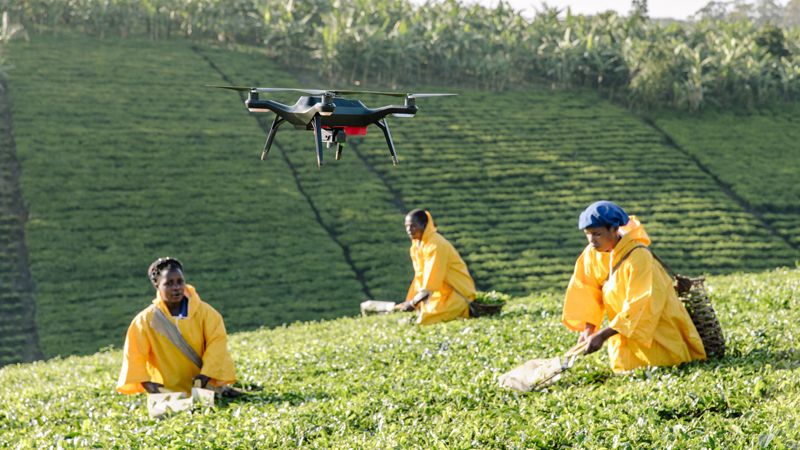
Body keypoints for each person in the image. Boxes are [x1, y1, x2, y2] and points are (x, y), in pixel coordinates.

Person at [562, 201, 706, 373]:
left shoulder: (638, 255)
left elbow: (641, 302)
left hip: (656, 323)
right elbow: (586, 289)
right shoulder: (592, 253)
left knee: (668, 367)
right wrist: (589, 328)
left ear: (614, 229)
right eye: (588, 234)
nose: (592, 240)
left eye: (597, 234)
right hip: (622, 326)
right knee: (629, 374)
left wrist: (603, 334)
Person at [116, 257, 238, 396]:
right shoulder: (145, 320)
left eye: (180, 282)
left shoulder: (206, 313)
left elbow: (217, 344)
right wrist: (147, 383)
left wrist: (207, 374)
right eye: (169, 283)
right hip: (167, 394)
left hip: (204, 390)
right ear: (157, 285)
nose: (176, 287)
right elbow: (134, 355)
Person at [398, 209, 476, 325]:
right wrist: (415, 301)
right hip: (440, 295)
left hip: (457, 294)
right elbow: (420, 276)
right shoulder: (416, 246)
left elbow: (431, 279)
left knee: (425, 321)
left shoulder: (435, 245)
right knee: (419, 318)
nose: (409, 230)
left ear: (424, 225)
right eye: (407, 226)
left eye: (413, 226)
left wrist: (414, 302)